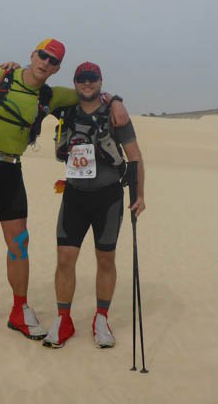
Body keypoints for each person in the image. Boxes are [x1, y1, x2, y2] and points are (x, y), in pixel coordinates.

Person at [0, 40, 129, 345]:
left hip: (10, 167)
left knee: (19, 242)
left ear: (57, 68)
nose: (46, 62)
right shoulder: (0, 76)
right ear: (32, 55)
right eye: (43, 55)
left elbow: (89, 93)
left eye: (53, 61)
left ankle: (19, 310)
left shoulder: (51, 95)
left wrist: (115, 101)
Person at [41, 61, 145, 349]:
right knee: (65, 259)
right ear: (74, 82)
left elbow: (135, 156)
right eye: (82, 78)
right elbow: (36, 90)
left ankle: (101, 318)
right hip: (74, 195)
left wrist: (140, 194)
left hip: (108, 197)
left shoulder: (116, 115)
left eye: (93, 78)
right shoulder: (66, 111)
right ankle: (63, 319)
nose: (87, 83)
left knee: (105, 259)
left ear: (100, 81)